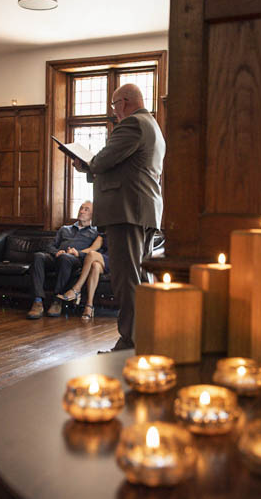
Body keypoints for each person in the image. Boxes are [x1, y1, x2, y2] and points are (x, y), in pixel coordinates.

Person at [75, 83, 165, 351]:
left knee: (127, 280)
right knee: (140, 279)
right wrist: (91, 167)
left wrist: (86, 164)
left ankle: (130, 343)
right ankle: (143, 339)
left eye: (114, 106)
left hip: (128, 212)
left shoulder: (132, 124)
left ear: (124, 102)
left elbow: (103, 160)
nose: (114, 113)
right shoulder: (152, 125)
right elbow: (121, 164)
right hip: (141, 211)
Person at [26, 201, 98, 319]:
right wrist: (56, 252)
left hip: (75, 261)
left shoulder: (95, 232)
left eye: (86, 210)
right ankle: (37, 301)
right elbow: (50, 246)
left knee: (66, 258)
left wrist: (78, 253)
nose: (81, 211)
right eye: (81, 208)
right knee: (38, 256)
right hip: (58, 257)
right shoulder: (65, 229)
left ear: (93, 215)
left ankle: (57, 300)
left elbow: (95, 253)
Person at [57, 233, 109, 321]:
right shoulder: (104, 233)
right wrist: (76, 252)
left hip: (117, 260)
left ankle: (76, 289)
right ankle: (89, 305)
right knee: (95, 266)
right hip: (102, 259)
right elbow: (92, 248)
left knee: (92, 255)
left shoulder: (126, 231)